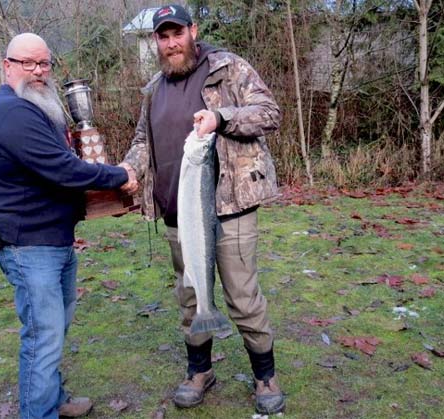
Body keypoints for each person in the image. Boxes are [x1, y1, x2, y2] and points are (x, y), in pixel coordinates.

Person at [119, 4, 285, 415]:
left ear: (193, 30)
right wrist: (127, 168)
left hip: (230, 210)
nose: (171, 42)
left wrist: (220, 116)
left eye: (178, 33)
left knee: (243, 298)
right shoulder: (155, 86)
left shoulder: (227, 68)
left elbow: (269, 113)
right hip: (177, 212)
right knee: (191, 298)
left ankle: (265, 377)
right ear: (156, 40)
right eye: (163, 36)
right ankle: (200, 371)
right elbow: (143, 141)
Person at [0, 33, 135, 419]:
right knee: (43, 335)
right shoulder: (12, 113)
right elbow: (62, 170)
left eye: (44, 63)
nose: (38, 71)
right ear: (8, 65)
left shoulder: (34, 108)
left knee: (53, 330)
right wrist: (118, 176)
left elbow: (62, 163)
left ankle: (52, 398)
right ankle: (40, 412)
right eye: (28, 63)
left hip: (51, 240)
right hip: (28, 244)